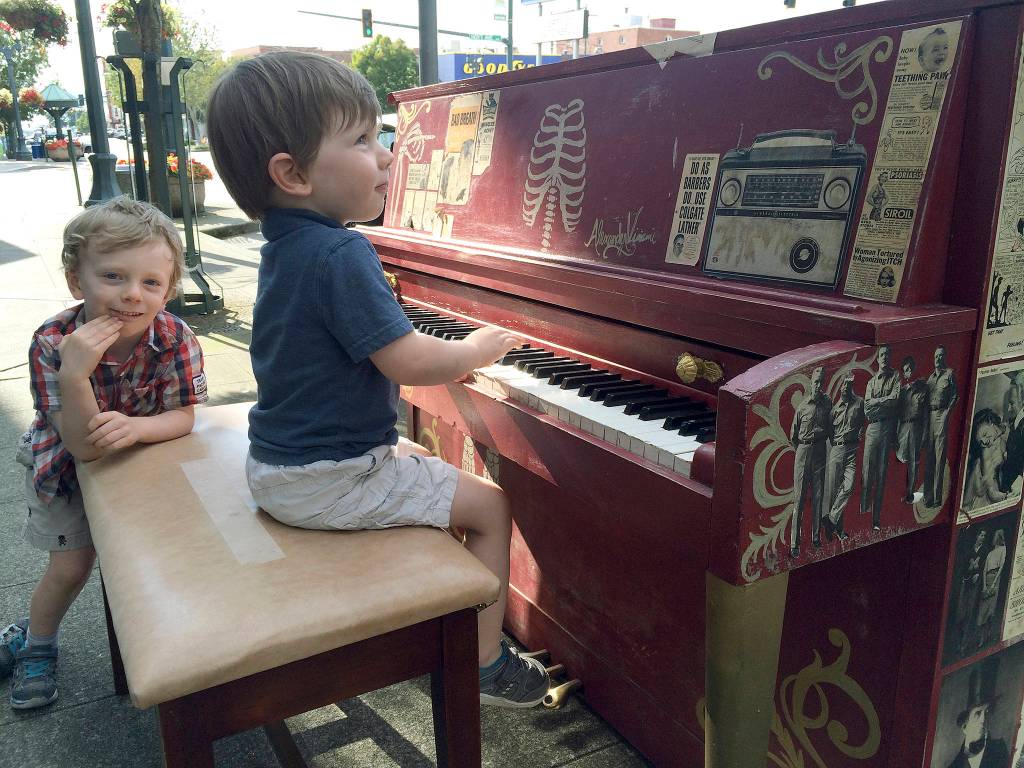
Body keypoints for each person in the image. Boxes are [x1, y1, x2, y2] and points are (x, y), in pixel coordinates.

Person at [205, 51, 550, 708]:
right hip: (328, 478)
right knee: (490, 506)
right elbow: (412, 362)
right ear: (294, 173)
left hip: (281, 466)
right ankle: (481, 664)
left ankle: (445, 615)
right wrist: (476, 348)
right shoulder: (341, 252)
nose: (389, 156)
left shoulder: (287, 244)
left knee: (420, 463)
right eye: (363, 139)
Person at [0, 197, 208, 709]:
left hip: (136, 463)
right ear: (77, 280)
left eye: (150, 283)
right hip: (63, 467)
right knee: (72, 566)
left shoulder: (176, 337)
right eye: (112, 276)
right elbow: (82, 448)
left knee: (156, 556)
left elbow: (183, 416)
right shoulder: (53, 342)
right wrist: (75, 374)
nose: (132, 295)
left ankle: (170, 634)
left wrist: (137, 427)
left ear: (168, 288)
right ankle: (38, 644)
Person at [789, 367, 831, 556]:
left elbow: (832, 427)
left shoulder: (827, 404)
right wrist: (803, 449)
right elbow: (793, 435)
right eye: (815, 382)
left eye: (821, 382)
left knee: (818, 495)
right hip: (803, 451)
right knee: (799, 498)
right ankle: (794, 543)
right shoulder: (802, 407)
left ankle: (815, 537)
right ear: (810, 383)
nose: (818, 385)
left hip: (820, 451)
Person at [861, 346, 900, 529]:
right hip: (872, 427)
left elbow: (895, 400)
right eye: (881, 354)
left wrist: (877, 402)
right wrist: (883, 401)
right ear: (877, 359)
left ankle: (875, 520)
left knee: (881, 474)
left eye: (887, 354)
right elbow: (867, 408)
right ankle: (862, 514)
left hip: (886, 428)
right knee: (867, 472)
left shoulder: (895, 377)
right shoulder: (871, 382)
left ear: (890, 357)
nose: (884, 357)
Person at [946, 657, 1009, 768]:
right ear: (964, 726)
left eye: (987, 711)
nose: (983, 719)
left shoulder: (1000, 751)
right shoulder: (954, 766)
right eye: (978, 713)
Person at [823, 374, 864, 541]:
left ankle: (830, 520)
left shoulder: (859, 403)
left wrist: (860, 432)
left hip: (851, 450)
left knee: (848, 487)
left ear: (851, 387)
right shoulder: (834, 410)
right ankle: (837, 531)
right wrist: (838, 444)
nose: (845, 389)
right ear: (840, 389)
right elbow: (830, 434)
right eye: (843, 387)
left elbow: (863, 420)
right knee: (834, 491)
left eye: (848, 386)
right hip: (837, 450)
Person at [924, 345, 958, 507]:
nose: (938, 358)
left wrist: (946, 413)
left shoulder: (949, 374)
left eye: (941, 356)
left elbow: (954, 395)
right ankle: (928, 498)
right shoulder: (930, 379)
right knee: (929, 458)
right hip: (929, 417)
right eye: (936, 356)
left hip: (941, 416)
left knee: (939, 458)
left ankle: (937, 498)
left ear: (945, 357)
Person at [962, 409, 1008, 512]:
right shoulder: (985, 451)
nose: (984, 441)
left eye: (984, 434)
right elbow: (992, 492)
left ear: (990, 422)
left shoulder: (1006, 432)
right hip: (985, 496)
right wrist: (1005, 497)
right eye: (980, 442)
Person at [896, 356, 928, 503]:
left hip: (915, 426)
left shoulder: (922, 387)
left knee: (913, 461)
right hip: (903, 426)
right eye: (905, 371)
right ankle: (902, 492)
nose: (907, 373)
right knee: (900, 457)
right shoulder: (903, 391)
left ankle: (910, 492)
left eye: (909, 370)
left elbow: (925, 413)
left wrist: (924, 434)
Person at [975, 528, 1007, 650]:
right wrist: (984, 585)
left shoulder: (1003, 549)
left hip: (994, 581)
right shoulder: (990, 553)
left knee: (990, 611)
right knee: (982, 612)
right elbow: (984, 570)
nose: (993, 538)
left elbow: (1001, 567)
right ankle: (981, 638)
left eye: (995, 536)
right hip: (987, 580)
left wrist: (994, 583)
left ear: (999, 537)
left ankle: (988, 634)